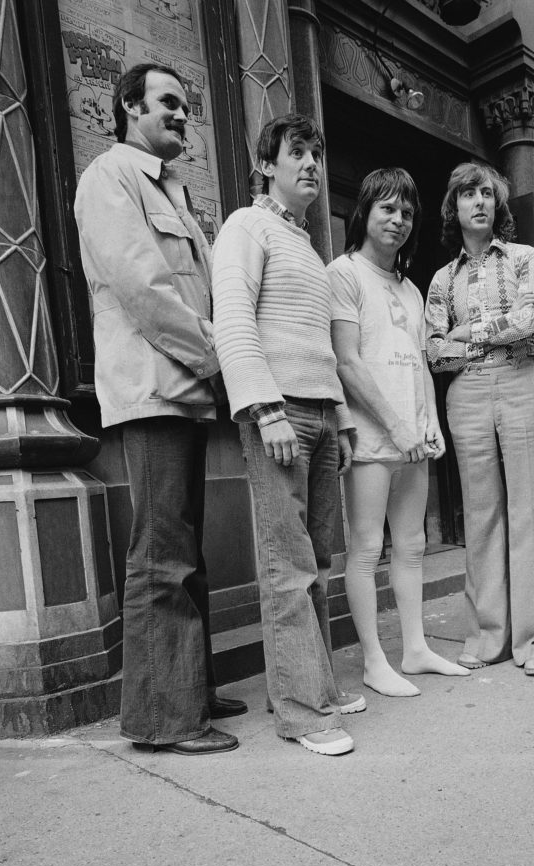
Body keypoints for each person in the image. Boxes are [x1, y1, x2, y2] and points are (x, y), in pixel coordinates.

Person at [74, 63, 244, 755]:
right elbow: (144, 289)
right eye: (168, 102)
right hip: (153, 390)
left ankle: (189, 689)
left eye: (186, 107)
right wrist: (218, 358)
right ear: (128, 106)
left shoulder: (167, 186)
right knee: (161, 556)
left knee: (184, 552)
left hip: (182, 391)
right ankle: (165, 720)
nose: (180, 115)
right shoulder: (110, 177)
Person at [211, 113, 363, 756]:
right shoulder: (246, 226)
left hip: (321, 414)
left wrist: (343, 419)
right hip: (280, 414)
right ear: (265, 165)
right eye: (296, 152)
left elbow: (322, 343)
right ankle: (303, 712)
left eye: (316, 155)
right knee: (288, 567)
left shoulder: (305, 244)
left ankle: (313, 686)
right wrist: (263, 408)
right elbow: (232, 320)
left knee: (318, 561)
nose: (311, 164)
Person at [328, 168, 471, 698]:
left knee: (412, 546)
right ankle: (373, 661)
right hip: (371, 439)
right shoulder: (343, 273)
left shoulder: (411, 288)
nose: (398, 220)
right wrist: (397, 425)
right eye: (387, 208)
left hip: (414, 437)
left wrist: (429, 422)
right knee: (367, 548)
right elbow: (347, 362)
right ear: (364, 211)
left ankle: (415, 649)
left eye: (407, 212)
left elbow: (417, 361)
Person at [425, 162, 534, 677]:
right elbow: (434, 351)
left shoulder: (525, 258)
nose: (478, 201)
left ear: (497, 204)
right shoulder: (443, 279)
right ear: (454, 207)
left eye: (486, 193)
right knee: (481, 515)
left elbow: (528, 319)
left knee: (530, 508)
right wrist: (475, 343)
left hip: (520, 382)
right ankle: (488, 635)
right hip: (467, 395)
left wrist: (468, 333)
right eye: (467, 194)